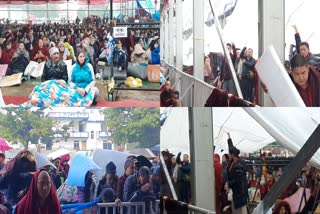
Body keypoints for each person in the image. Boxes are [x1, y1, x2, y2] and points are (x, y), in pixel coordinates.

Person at [226, 146, 248, 214]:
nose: (228, 155)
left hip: (240, 192)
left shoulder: (239, 164)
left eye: (229, 154)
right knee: (236, 209)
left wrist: (228, 184)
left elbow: (238, 179)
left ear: (232, 155)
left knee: (240, 210)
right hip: (235, 191)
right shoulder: (233, 161)